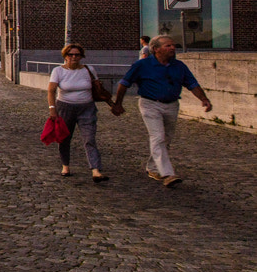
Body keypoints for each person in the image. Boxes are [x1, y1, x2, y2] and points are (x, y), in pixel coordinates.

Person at [112, 35, 213, 187]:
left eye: (173, 45)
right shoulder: (142, 65)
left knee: (166, 138)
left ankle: (153, 167)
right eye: (168, 46)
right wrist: (118, 103)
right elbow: (124, 84)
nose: (172, 48)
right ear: (156, 49)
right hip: (150, 103)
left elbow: (192, 83)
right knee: (158, 136)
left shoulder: (179, 66)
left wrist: (204, 99)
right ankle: (167, 173)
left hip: (172, 104)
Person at [47, 43, 107, 182]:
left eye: (77, 54)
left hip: (86, 107)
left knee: (89, 138)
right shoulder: (58, 71)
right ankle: (65, 166)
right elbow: (51, 90)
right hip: (65, 107)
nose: (74, 57)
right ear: (65, 56)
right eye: (70, 54)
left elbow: (97, 87)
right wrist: (52, 109)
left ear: (81, 56)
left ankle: (95, 170)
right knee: (64, 138)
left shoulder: (88, 69)